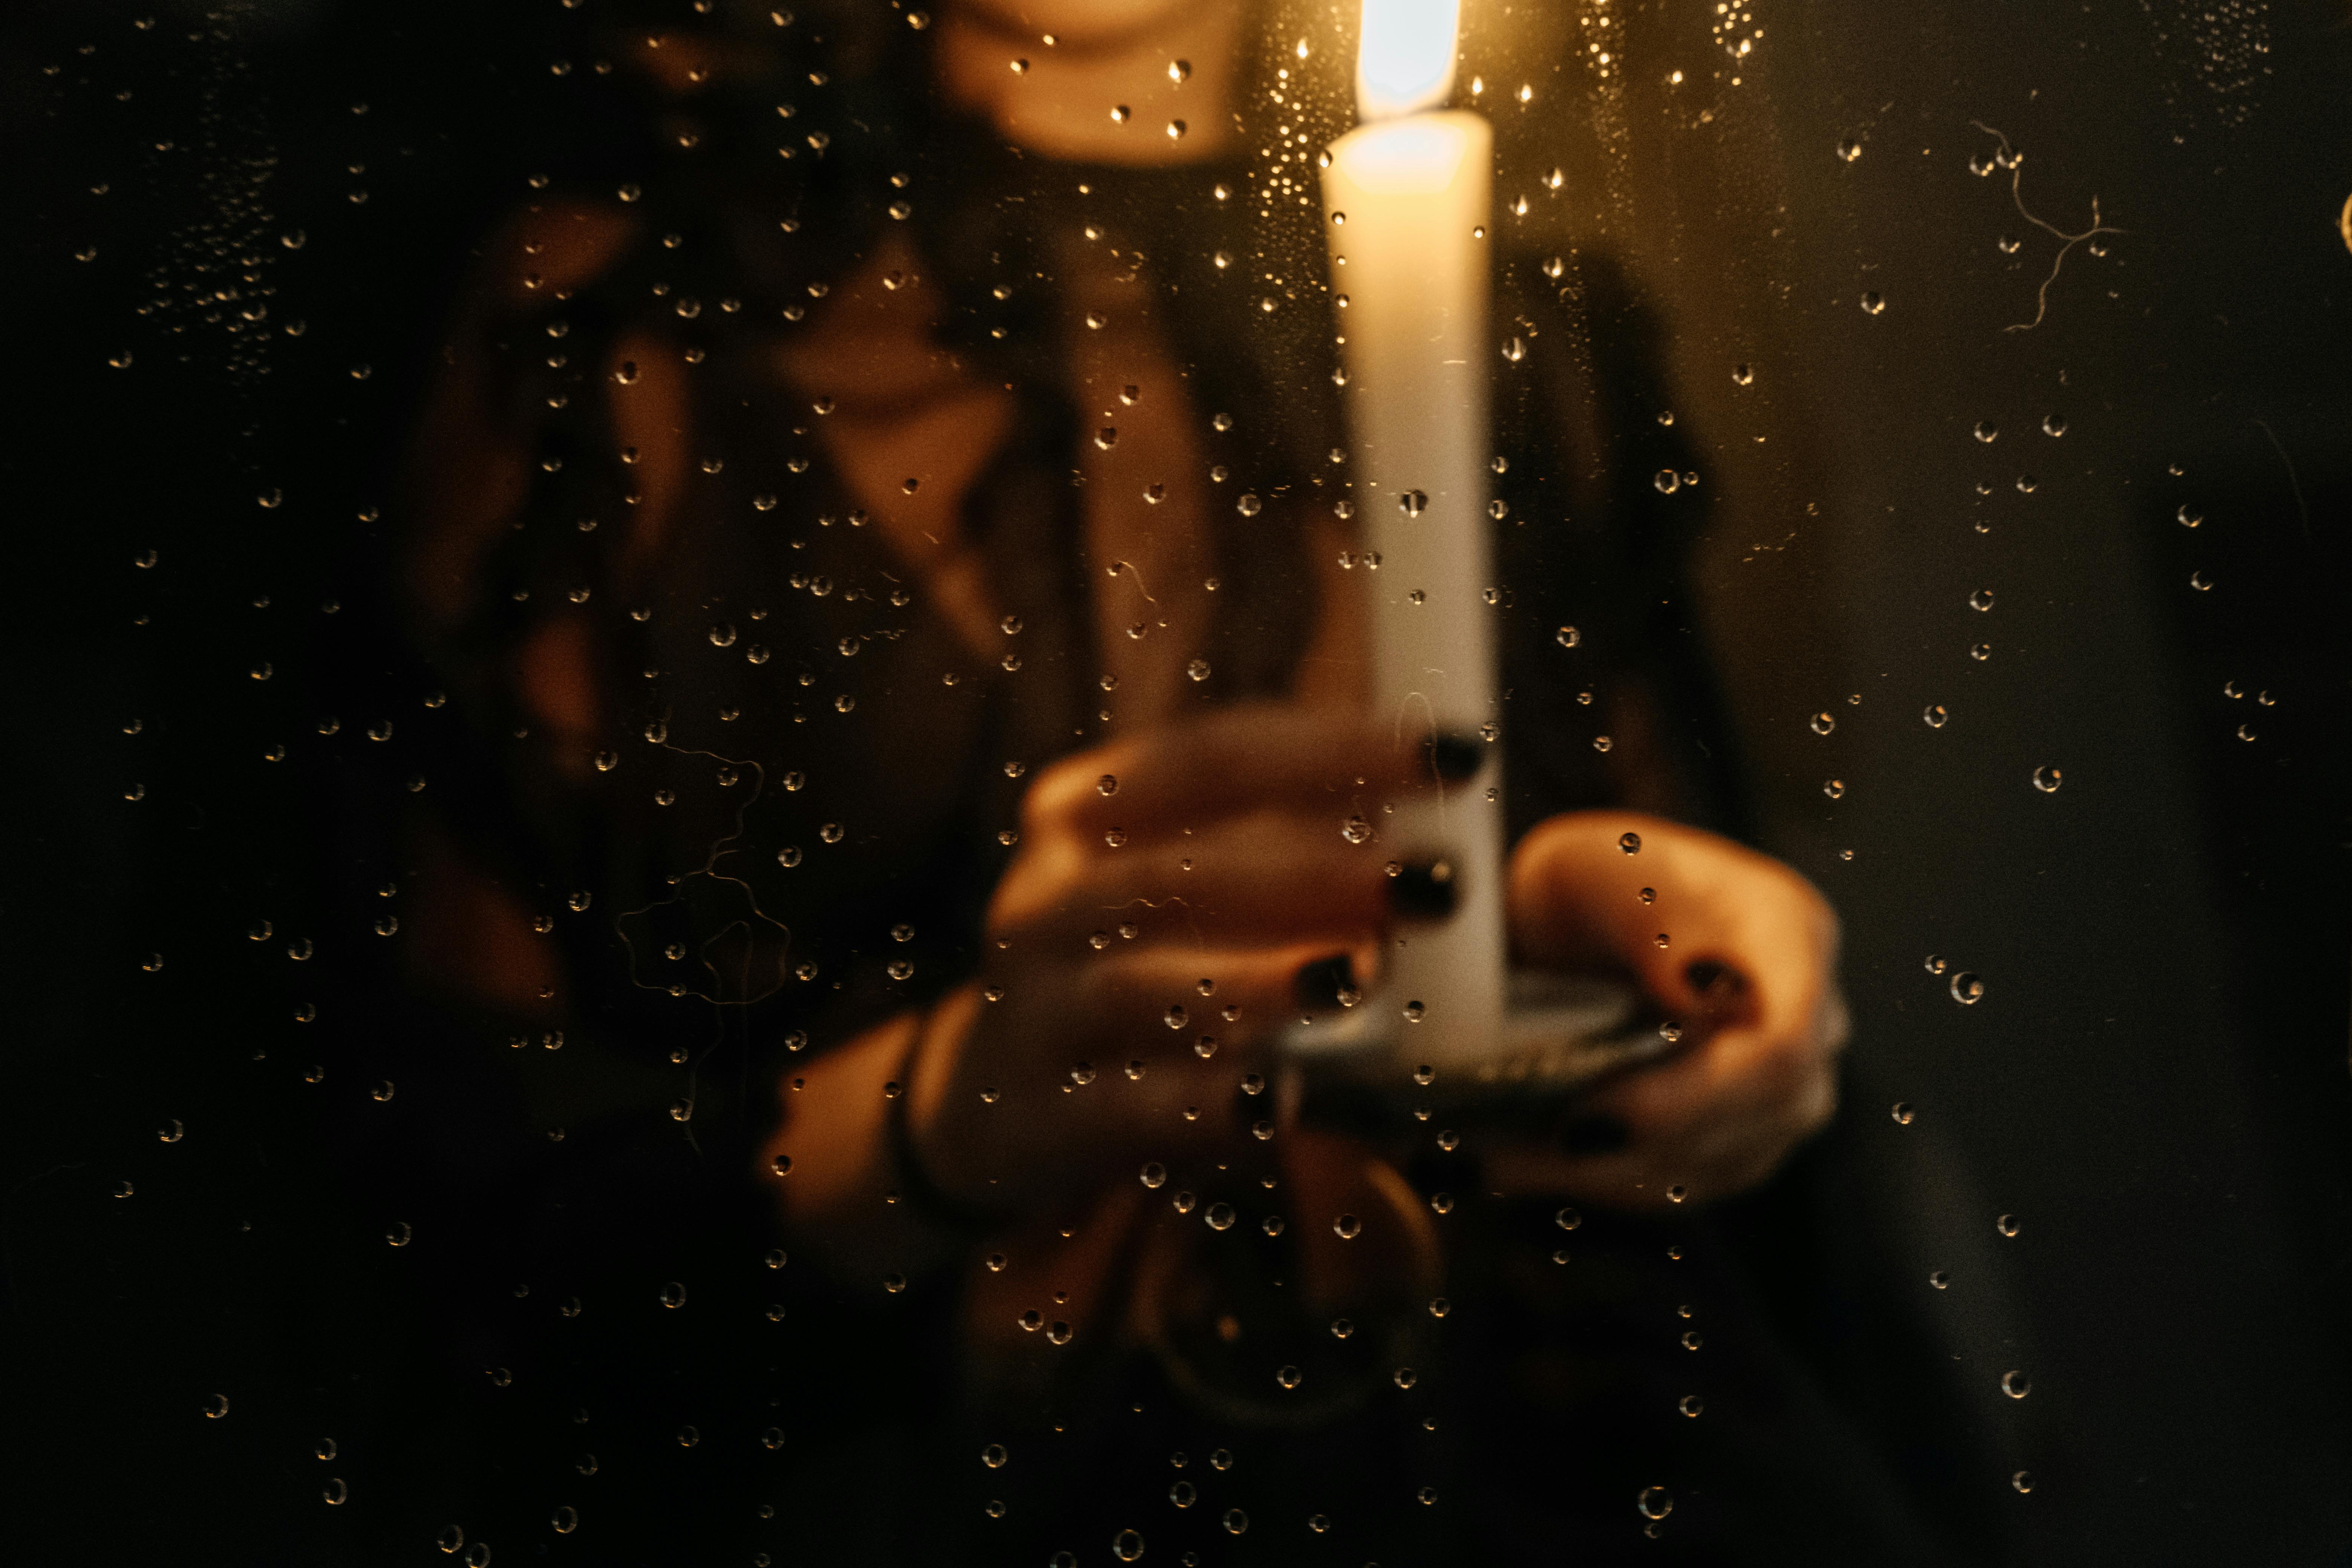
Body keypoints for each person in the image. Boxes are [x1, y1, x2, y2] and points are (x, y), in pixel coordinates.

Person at [392, 0, 1847, 1557]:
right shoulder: (610, 327)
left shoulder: (1534, 330)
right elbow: (448, 1234)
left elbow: (1748, 1135)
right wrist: (932, 1119)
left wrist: (1610, 953)